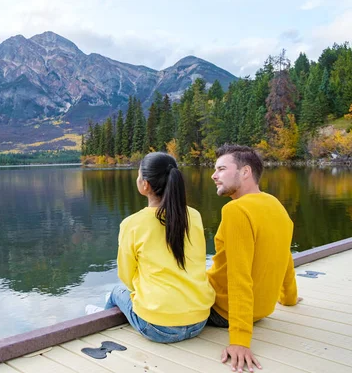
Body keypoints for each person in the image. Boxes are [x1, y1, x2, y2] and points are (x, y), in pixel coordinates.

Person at [99, 152, 215, 343]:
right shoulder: (194, 215)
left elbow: (126, 277)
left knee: (117, 292)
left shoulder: (133, 223)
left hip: (158, 328)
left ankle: (101, 326)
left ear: (145, 185)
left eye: (139, 175)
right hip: (199, 319)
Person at [207, 144, 300, 372]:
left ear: (245, 172)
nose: (214, 175)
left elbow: (239, 277)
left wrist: (240, 340)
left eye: (221, 169)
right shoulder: (275, 205)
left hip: (223, 311)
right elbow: (284, 256)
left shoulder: (236, 210)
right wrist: (289, 297)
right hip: (262, 310)